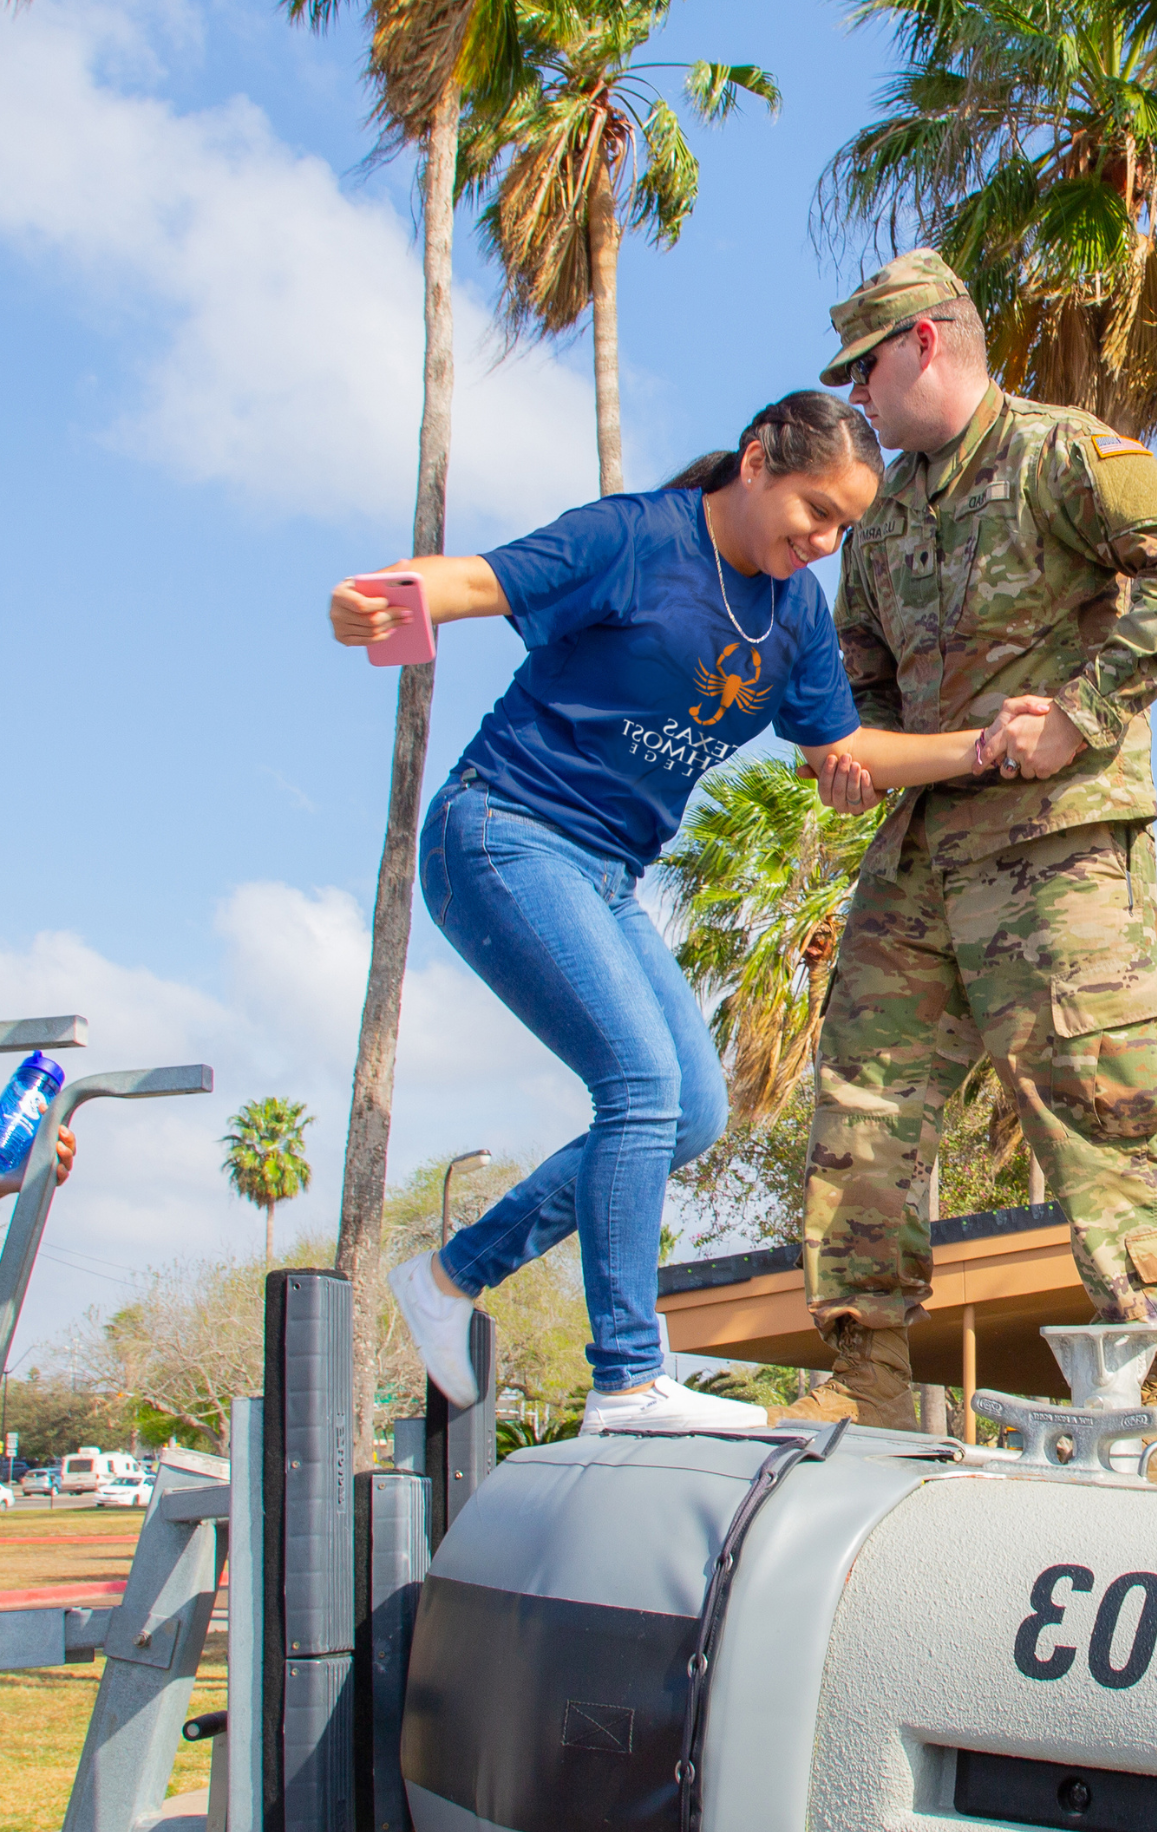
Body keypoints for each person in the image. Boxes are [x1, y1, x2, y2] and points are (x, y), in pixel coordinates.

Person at [330, 391, 1014, 1435]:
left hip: (603, 874)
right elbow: (475, 579)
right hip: (503, 833)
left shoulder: (793, 615)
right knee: (640, 1086)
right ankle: (627, 1379)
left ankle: (450, 1275)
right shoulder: (634, 537)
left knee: (690, 1112)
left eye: (843, 527)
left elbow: (846, 751)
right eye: (814, 511)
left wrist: (981, 747)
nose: (824, 541)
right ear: (756, 461)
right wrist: (374, 599)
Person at [788, 250, 1157, 1457]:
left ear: (926, 342)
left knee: (1103, 1100)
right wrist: (851, 755)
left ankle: (1156, 1388)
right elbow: (862, 681)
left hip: (1058, 846)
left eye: (866, 368)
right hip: (921, 855)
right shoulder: (879, 525)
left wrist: (1081, 712)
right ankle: (868, 1370)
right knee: (862, 1099)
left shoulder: (1061, 452)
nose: (859, 398)